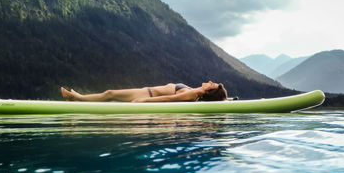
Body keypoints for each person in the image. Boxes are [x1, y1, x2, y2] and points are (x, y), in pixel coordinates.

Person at [60, 81, 227, 102]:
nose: (210, 82)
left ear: (208, 92)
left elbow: (169, 99)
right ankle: (78, 97)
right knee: (109, 94)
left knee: (110, 93)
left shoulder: (193, 94)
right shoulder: (195, 91)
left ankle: (77, 98)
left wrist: (144, 101)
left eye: (211, 85)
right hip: (146, 91)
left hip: (146, 95)